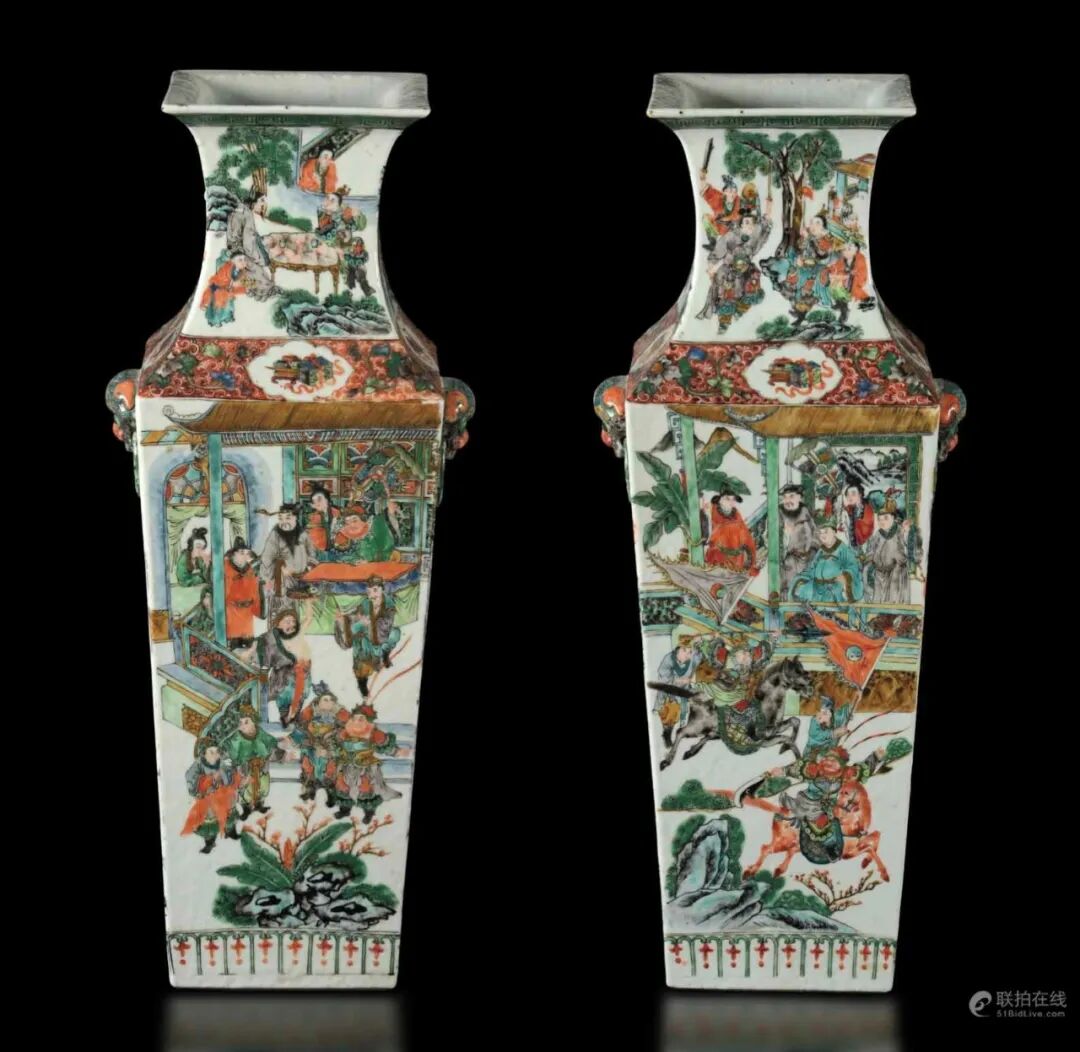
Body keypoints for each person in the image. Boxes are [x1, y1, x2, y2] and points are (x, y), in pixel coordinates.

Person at [330, 703, 402, 822]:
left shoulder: (373, 732)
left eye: (361, 719)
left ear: (368, 720)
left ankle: (369, 812)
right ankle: (345, 810)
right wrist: (337, 750)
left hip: (365, 766)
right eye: (354, 718)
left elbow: (385, 744)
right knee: (342, 786)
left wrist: (396, 751)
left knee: (366, 788)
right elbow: (335, 743)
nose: (357, 721)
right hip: (346, 765)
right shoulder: (345, 730)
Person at [333, 575, 400, 697]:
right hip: (366, 640)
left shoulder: (389, 605)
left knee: (395, 634)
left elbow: (385, 627)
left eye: (375, 590)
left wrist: (367, 624)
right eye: (369, 592)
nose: (372, 595)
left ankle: (385, 654)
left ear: (382, 589)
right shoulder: (365, 603)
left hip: (380, 637)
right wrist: (344, 619)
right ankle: (362, 684)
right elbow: (356, 616)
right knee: (362, 659)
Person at [290, 683, 349, 804]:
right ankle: (309, 786)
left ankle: (331, 789)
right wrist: (312, 742)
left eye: (331, 700)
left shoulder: (339, 711)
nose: (328, 702)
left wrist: (331, 741)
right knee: (308, 758)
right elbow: (302, 725)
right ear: (318, 701)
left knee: (332, 763)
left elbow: (347, 726)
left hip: (332, 743)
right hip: (313, 743)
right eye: (325, 700)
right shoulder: (311, 710)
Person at [258, 504, 319, 621]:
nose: (283, 522)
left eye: (287, 518)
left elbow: (311, 552)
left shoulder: (303, 533)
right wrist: (269, 577)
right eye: (280, 518)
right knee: (285, 609)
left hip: (303, 577)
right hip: (283, 578)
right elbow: (267, 557)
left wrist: (309, 567)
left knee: (305, 609)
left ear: (295, 518)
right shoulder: (275, 534)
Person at [181, 736, 240, 853]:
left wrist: (226, 774)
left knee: (230, 814)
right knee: (210, 820)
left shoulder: (223, 761)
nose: (215, 755)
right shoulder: (198, 764)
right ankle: (210, 841)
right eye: (211, 752)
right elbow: (190, 777)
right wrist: (209, 780)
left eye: (217, 752)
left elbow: (230, 774)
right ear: (203, 753)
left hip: (225, 795)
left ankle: (230, 831)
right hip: (209, 799)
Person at [254, 608, 311, 726]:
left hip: (301, 677)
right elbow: (263, 661)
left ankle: (290, 719)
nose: (292, 624)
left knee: (295, 708)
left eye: (293, 622)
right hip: (283, 680)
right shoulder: (270, 638)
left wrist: (308, 603)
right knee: (284, 703)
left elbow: (309, 618)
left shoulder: (297, 635)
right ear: (278, 624)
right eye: (287, 621)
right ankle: (286, 717)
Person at [790, 512, 863, 603]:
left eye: (826, 531)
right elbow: (812, 569)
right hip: (817, 591)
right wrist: (801, 579)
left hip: (834, 592)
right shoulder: (821, 551)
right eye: (820, 533)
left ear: (834, 532)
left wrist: (845, 576)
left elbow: (853, 567)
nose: (822, 535)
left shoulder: (843, 550)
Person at [863, 495, 921, 604]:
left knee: (895, 605)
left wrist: (907, 532)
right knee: (878, 606)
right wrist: (869, 563)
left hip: (896, 575)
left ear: (893, 518)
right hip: (879, 577)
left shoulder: (900, 532)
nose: (882, 522)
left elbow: (911, 551)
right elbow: (870, 553)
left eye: (886, 518)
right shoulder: (876, 536)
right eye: (879, 519)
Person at [225, 704, 279, 819]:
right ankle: (246, 808)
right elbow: (232, 752)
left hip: (262, 766)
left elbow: (271, 741)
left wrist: (272, 751)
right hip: (246, 768)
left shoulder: (260, 733)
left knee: (263, 785)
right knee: (246, 789)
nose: (242, 726)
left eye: (246, 722)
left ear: (254, 722)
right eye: (240, 723)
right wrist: (238, 763)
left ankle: (259, 804)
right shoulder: (237, 738)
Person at [225, 191, 275, 300]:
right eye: (261, 201)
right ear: (253, 202)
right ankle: (259, 292)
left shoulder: (240, 209)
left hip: (235, 248)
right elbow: (248, 245)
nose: (264, 204)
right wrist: (260, 260)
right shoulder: (247, 214)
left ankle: (252, 289)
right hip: (239, 252)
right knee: (261, 273)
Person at [653, 636, 703, 746]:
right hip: (669, 692)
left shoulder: (691, 658)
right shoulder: (669, 659)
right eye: (686, 652)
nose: (689, 655)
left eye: (690, 652)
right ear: (680, 649)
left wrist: (698, 646)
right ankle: (667, 734)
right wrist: (679, 680)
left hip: (685, 689)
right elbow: (663, 678)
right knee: (671, 713)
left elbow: (698, 657)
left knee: (701, 698)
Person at [702, 489, 757, 572]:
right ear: (720, 499)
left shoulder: (736, 513)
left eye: (733, 499)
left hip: (735, 551)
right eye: (727, 499)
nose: (731, 502)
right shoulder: (711, 508)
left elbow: (744, 531)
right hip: (718, 549)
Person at [778, 484, 817, 597]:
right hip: (788, 560)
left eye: (791, 496)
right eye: (785, 497)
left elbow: (814, 531)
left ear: (799, 498)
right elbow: (770, 538)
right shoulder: (778, 513)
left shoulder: (804, 511)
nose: (788, 501)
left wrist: (813, 549)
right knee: (789, 589)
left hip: (807, 557)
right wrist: (786, 534)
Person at [224, 537, 261, 648]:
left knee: (250, 647)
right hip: (232, 613)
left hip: (247, 616)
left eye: (246, 553)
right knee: (233, 647)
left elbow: (255, 591)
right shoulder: (225, 567)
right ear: (233, 555)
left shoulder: (249, 569)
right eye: (241, 553)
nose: (245, 556)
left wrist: (257, 609)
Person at [827, 240, 874, 323]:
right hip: (846, 279)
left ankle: (844, 310)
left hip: (856, 280)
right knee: (833, 286)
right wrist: (830, 269)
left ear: (856, 250)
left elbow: (861, 273)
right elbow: (836, 266)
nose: (846, 252)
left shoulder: (860, 258)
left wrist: (847, 276)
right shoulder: (843, 259)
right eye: (844, 249)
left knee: (845, 289)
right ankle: (839, 303)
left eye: (849, 249)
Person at [200, 253, 248, 327]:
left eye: (245, 259)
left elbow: (243, 282)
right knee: (218, 307)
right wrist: (230, 284)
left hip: (228, 291)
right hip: (219, 289)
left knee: (228, 306)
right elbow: (220, 279)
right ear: (233, 261)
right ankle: (215, 321)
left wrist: (241, 286)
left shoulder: (242, 271)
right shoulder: (227, 268)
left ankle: (227, 317)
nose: (243, 262)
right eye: (240, 260)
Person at [699, 172, 741, 250]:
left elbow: (737, 214)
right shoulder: (719, 198)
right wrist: (702, 178)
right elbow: (708, 191)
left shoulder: (738, 201)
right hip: (719, 226)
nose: (733, 194)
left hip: (732, 228)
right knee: (705, 218)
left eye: (735, 192)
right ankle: (712, 242)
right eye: (730, 191)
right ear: (724, 192)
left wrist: (726, 219)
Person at [830, 483, 875, 551]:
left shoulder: (867, 509)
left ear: (860, 495)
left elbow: (865, 531)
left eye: (853, 494)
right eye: (848, 494)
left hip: (863, 547)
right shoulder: (850, 509)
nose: (850, 497)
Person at [305, 485, 341, 552]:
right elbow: (312, 534)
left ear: (327, 499)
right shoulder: (314, 516)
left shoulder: (337, 512)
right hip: (321, 547)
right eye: (314, 501)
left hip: (337, 547)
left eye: (319, 500)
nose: (317, 503)